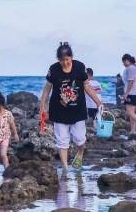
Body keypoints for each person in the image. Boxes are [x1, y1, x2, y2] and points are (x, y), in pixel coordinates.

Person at [40, 42, 102, 174]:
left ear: (71, 57)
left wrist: (98, 101)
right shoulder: (54, 69)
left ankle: (80, 153)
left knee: (80, 139)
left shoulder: (80, 67)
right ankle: (65, 169)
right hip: (58, 111)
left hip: (78, 111)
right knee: (62, 141)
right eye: (62, 60)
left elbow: (86, 86)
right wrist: (42, 107)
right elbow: (46, 90)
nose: (65, 63)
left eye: (67, 59)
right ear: (58, 59)